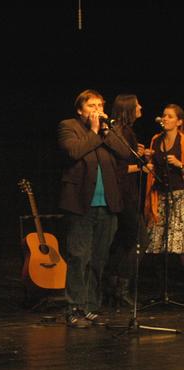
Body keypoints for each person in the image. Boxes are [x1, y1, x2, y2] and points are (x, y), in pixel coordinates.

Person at [58, 89, 131, 328]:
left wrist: (105, 132)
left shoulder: (109, 130)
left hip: (107, 205)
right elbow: (73, 151)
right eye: (92, 106)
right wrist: (93, 130)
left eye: (100, 105)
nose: (97, 110)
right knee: (79, 257)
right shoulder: (69, 126)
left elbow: (125, 153)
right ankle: (74, 308)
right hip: (80, 204)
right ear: (80, 110)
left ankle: (90, 307)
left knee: (98, 259)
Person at [103, 94, 148, 308]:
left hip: (123, 194)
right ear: (129, 108)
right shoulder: (122, 131)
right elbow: (117, 170)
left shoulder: (123, 132)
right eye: (137, 104)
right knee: (139, 240)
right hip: (124, 195)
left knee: (123, 241)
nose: (140, 107)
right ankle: (121, 287)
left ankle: (111, 287)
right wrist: (140, 166)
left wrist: (138, 154)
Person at [143, 104, 184, 286]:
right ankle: (162, 287)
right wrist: (147, 158)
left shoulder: (182, 141)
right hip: (159, 195)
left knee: (179, 242)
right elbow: (152, 165)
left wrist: (179, 164)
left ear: (179, 122)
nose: (165, 119)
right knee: (158, 242)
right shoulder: (156, 139)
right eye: (164, 115)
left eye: (170, 116)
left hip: (179, 195)